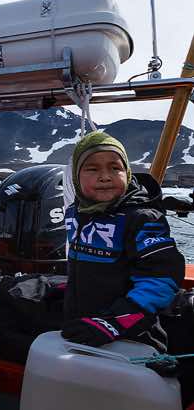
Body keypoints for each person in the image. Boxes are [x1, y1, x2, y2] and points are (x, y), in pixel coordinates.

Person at [61, 131, 185, 352]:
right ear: (75, 178)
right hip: (84, 328)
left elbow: (161, 280)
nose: (105, 176)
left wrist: (115, 322)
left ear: (127, 173)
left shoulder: (143, 219)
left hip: (133, 336)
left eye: (115, 168)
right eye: (92, 168)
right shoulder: (75, 213)